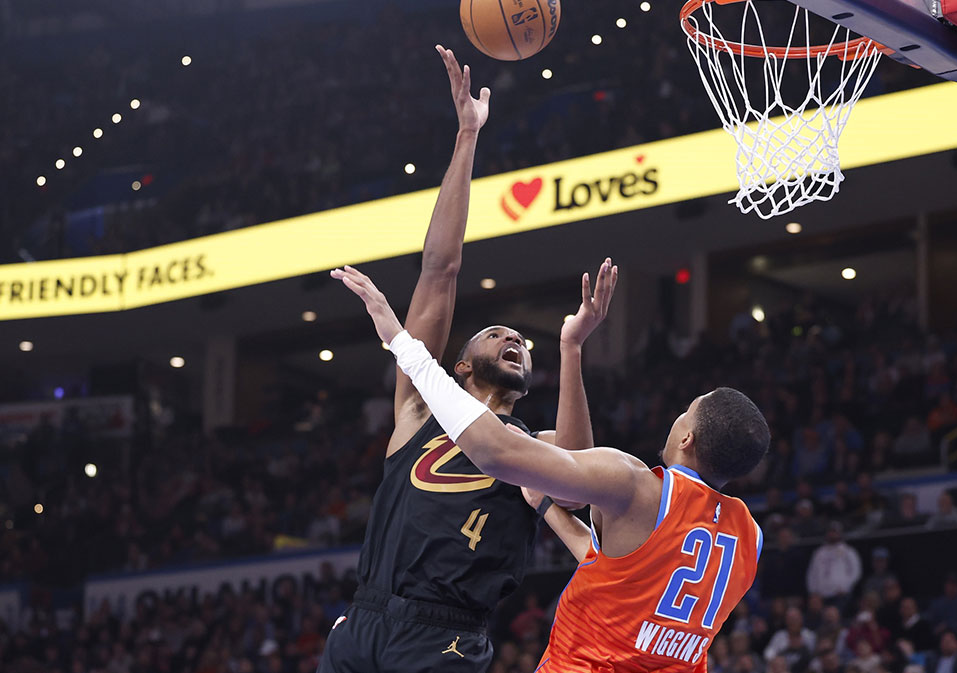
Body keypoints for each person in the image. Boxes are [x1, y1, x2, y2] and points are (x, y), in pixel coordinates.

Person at [318, 48, 617, 673]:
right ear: (460, 365)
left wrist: (568, 347)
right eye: (497, 334)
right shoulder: (418, 408)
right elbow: (441, 267)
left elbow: (580, 468)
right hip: (364, 624)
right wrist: (466, 135)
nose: (513, 340)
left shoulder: (525, 450)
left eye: (521, 344)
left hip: (444, 638)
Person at [335, 266, 772, 671]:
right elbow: (616, 569)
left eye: (686, 412)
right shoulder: (749, 537)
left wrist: (401, 342)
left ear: (686, 439)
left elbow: (494, 451)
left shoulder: (635, 483)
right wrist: (547, 509)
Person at [807, 522, 863, 609]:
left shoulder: (848, 551)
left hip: (840, 594)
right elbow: (812, 573)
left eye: (835, 532)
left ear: (840, 533)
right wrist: (813, 591)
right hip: (822, 596)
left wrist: (846, 587)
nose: (832, 534)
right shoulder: (819, 552)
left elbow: (856, 571)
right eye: (830, 532)